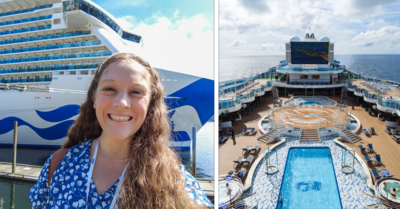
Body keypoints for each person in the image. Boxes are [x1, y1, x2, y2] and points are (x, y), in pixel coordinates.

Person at [29, 53, 213, 208]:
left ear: (150, 106)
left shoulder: (174, 181)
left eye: (136, 92)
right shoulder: (59, 164)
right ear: (94, 99)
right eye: (109, 88)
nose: (121, 103)